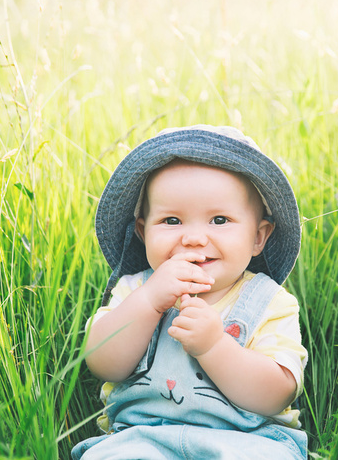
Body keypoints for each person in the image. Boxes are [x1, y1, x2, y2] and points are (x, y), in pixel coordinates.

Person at [73, 125, 308, 459]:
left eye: (219, 220)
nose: (194, 238)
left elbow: (277, 394)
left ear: (258, 237)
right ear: (143, 232)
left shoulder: (270, 302)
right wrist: (150, 301)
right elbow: (102, 363)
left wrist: (215, 346)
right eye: (172, 221)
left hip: (247, 440)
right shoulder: (135, 289)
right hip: (142, 437)